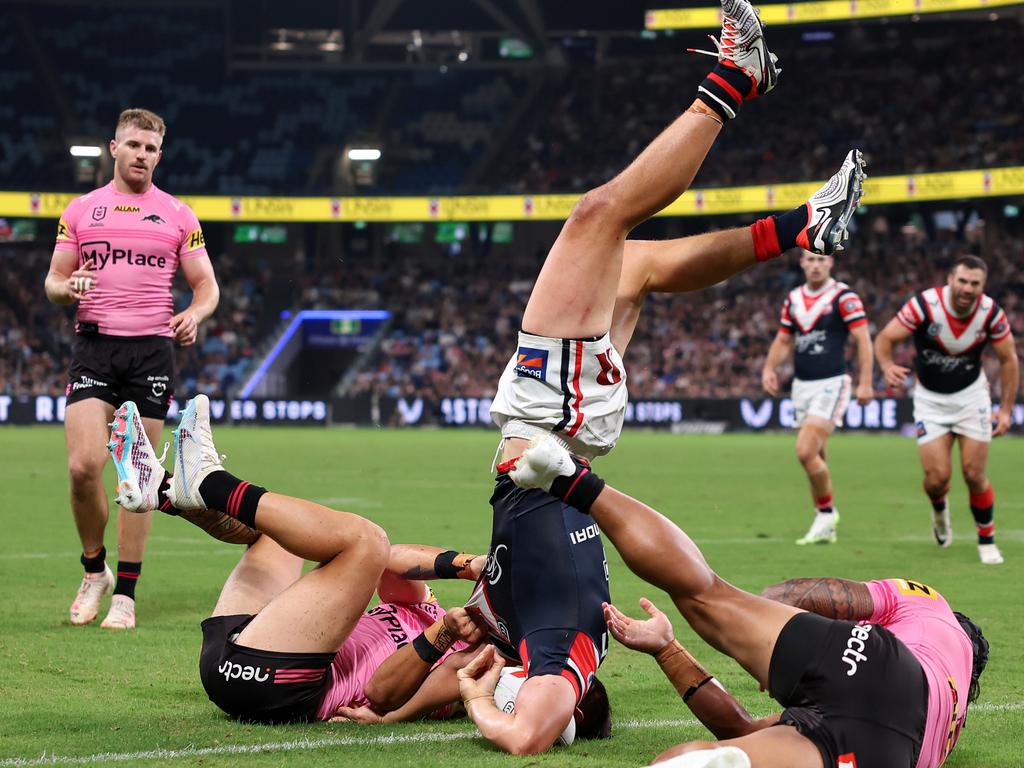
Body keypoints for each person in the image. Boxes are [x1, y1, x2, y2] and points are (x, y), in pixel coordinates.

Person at [458, 0, 866, 754]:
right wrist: (479, 697)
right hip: (553, 418)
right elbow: (528, 736)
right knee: (598, 218)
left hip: (555, 430)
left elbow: (459, 687)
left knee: (638, 258)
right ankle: (731, 84)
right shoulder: (557, 645)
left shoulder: (531, 629)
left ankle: (804, 223)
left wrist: (452, 666)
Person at [504, 434, 988, 768]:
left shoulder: (933, 607)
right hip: (887, 748)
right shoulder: (952, 711)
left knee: (708, 594)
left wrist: (758, 618)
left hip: (872, 659)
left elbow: (838, 598)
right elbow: (743, 731)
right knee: (710, 756)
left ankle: (573, 480)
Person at [108, 394, 487, 723]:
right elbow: (393, 561)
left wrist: (443, 635)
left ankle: (211, 483)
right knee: (281, 534)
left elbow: (382, 693)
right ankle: (162, 490)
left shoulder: (481, 655)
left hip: (279, 686)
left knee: (366, 541)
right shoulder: (431, 610)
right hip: (238, 656)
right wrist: (469, 566)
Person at [44, 108, 220, 629]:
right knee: (82, 467)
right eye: (134, 145)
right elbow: (53, 281)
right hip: (95, 349)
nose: (142, 154)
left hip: (151, 352)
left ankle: (126, 593)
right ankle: (93, 568)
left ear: (159, 155)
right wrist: (68, 287)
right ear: (114, 148)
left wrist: (193, 313)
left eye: (151, 148)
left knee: (137, 479)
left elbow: (206, 287)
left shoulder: (178, 215)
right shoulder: (81, 211)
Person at [875, 255, 1018, 564]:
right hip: (929, 400)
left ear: (983, 285)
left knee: (974, 472)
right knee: (937, 478)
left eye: (975, 283)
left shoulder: (990, 313)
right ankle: (939, 508)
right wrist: (886, 365)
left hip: (971, 398)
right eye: (963, 281)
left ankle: (987, 540)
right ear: (951, 279)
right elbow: (885, 338)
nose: (967, 288)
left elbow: (1009, 360)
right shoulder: (924, 306)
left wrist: (1005, 410)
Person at [761, 250, 874, 545]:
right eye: (810, 260)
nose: (815, 265)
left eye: (820, 260)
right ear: (801, 263)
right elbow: (784, 338)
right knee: (817, 455)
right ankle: (826, 524)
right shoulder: (794, 298)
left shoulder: (843, 297)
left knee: (805, 451)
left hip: (832, 383)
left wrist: (865, 381)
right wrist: (770, 368)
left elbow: (862, 338)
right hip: (802, 386)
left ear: (830, 262)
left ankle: (826, 513)